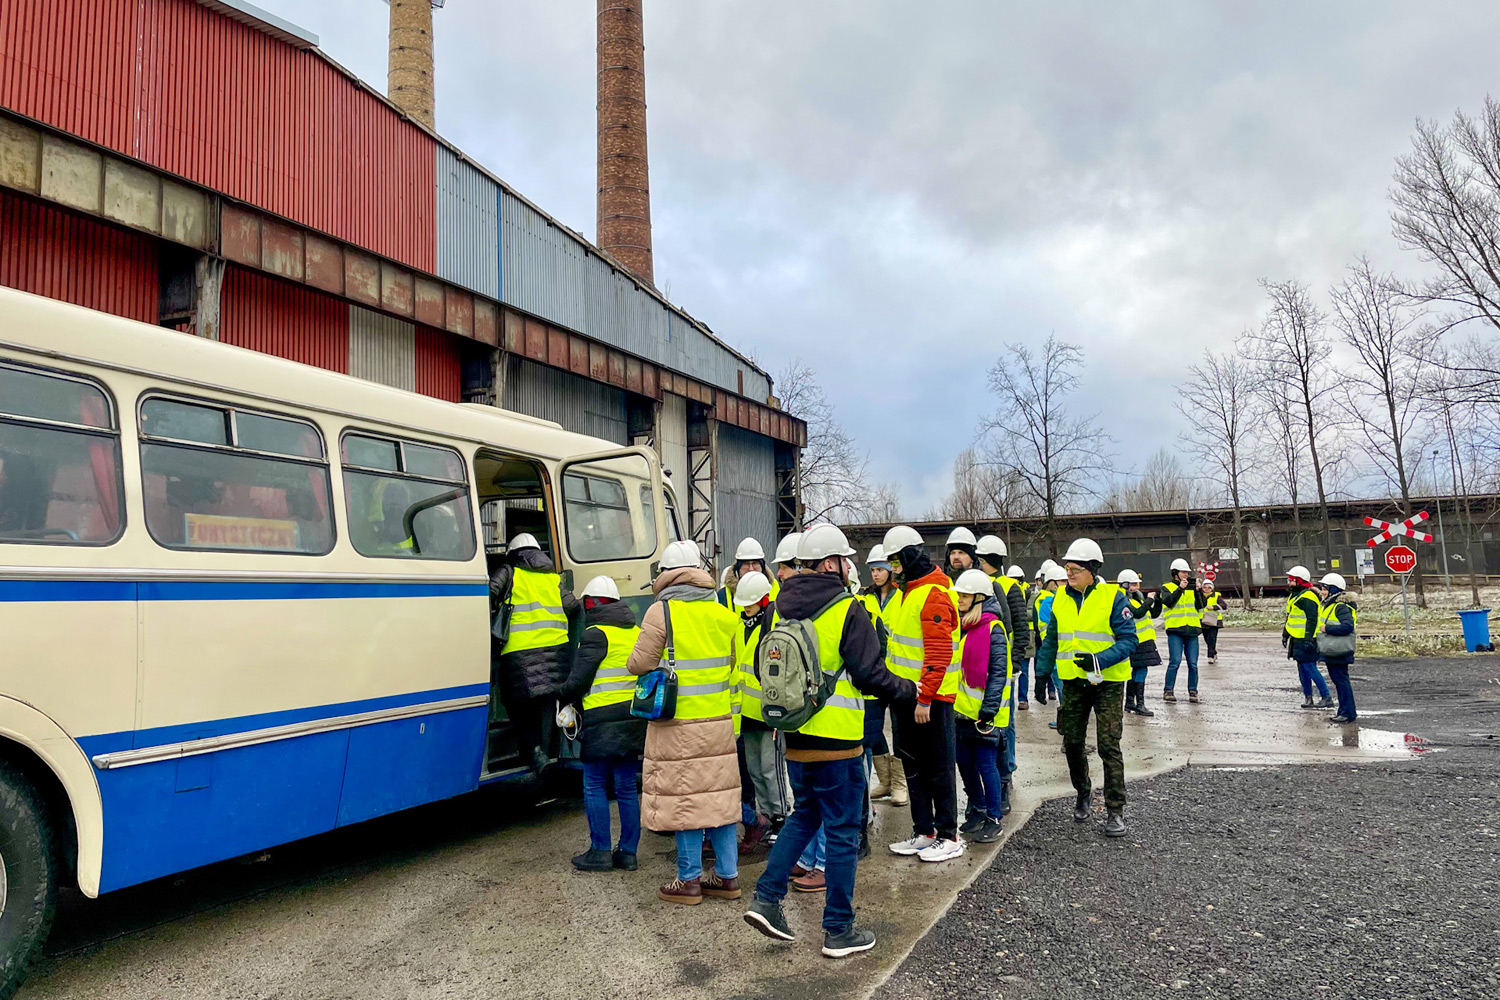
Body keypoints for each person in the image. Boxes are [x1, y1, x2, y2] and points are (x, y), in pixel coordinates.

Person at [743, 525, 918, 959]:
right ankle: (838, 929)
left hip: (795, 736)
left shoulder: (777, 609)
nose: (849, 566)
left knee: (805, 815)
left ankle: (766, 898)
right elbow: (869, 674)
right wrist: (910, 690)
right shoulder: (848, 610)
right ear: (829, 563)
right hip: (838, 742)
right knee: (841, 831)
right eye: (844, 559)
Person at [626, 539, 743, 906]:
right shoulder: (726, 615)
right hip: (720, 722)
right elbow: (733, 669)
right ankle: (727, 877)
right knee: (719, 801)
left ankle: (688, 880)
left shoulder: (661, 613)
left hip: (677, 726)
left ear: (666, 575)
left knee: (685, 802)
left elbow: (638, 664)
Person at [1036, 538, 1137, 838]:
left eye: (1076, 568)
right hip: (1074, 682)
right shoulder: (1059, 600)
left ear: (1092, 569)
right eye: (1067, 568)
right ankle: (1083, 792)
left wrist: (1098, 659)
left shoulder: (1114, 597)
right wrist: (1041, 674)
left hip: (1107, 682)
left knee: (1108, 745)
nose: (1069, 573)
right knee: (1073, 742)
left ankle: (1115, 810)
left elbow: (1129, 640)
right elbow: (1051, 640)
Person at [880, 525, 964, 863]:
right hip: (905, 696)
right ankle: (924, 830)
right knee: (912, 765)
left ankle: (948, 834)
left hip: (931, 699)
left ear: (910, 557)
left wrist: (925, 697)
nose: (893, 569)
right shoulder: (907, 593)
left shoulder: (934, 593)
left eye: (897, 562)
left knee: (939, 767)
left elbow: (939, 649)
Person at [562, 575, 647, 873]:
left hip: (601, 722)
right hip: (632, 719)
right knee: (625, 787)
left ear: (590, 604)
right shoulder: (636, 632)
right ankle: (627, 853)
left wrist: (562, 695)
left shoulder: (596, 633)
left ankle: (599, 851)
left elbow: (579, 679)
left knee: (595, 784)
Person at [490, 532, 580, 774]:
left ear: (513, 553)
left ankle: (535, 752)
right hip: (556, 652)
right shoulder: (551, 578)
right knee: (545, 704)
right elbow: (572, 605)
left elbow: (488, 593)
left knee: (517, 705)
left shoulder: (509, 571)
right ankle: (548, 752)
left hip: (520, 654)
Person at [952, 569, 1011, 844]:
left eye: (964, 595)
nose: (959, 599)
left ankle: (994, 818)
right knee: (964, 764)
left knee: (987, 765)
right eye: (959, 595)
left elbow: (998, 672)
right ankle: (977, 810)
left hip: (985, 716)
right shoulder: (963, 627)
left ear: (979, 597)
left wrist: (989, 710)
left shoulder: (992, 628)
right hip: (960, 711)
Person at [733, 571, 789, 856]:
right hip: (748, 714)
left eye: (750, 603)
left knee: (771, 769)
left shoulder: (773, 627)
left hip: (769, 714)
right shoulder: (743, 626)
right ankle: (765, 817)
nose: (745, 608)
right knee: (755, 770)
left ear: (764, 600)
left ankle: (780, 818)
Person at [974, 535, 1026, 814]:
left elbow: (1018, 625)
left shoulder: (1008, 587)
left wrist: (1015, 659)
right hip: (983, 664)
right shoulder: (973, 583)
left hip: (1003, 664)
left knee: (1006, 723)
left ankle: (1006, 772)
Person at [860, 545, 907, 807]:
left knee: (899, 727)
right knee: (873, 729)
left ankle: (900, 784)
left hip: (898, 670)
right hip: (875, 671)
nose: (876, 575)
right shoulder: (865, 598)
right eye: (873, 570)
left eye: (880, 569)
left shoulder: (903, 597)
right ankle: (886, 781)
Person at [1158, 558, 1207, 704]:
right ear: (1175, 573)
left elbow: (1201, 605)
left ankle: (1193, 691)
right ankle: (1168, 690)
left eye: (1187, 572)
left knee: (1193, 663)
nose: (1186, 575)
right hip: (1175, 630)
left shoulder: (1192, 588)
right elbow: (1168, 602)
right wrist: (1180, 589)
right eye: (1183, 572)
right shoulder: (1167, 587)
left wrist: (1198, 591)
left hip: (1191, 629)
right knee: (1175, 661)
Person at [1284, 566, 1333, 709]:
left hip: (1306, 639)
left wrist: (1308, 638)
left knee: (1310, 667)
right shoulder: (1295, 595)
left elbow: (1312, 619)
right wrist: (1285, 634)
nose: (1289, 583)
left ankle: (1326, 696)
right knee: (1302, 668)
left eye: (1292, 580)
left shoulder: (1308, 596)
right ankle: (1308, 697)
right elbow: (1291, 617)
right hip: (1296, 638)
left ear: (1299, 581)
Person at [1316, 573, 1359, 724]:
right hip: (1333, 650)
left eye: (1325, 589)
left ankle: (1347, 712)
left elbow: (1347, 626)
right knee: (1339, 681)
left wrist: (1327, 628)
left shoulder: (1340, 607)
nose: (1322, 592)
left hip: (1338, 650)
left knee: (1341, 681)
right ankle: (1344, 710)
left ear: (1334, 590)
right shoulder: (1332, 605)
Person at [1118, 570, 1160, 717]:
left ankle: (1131, 702)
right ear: (1124, 585)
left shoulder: (1137, 598)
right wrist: (1149, 601)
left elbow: (1152, 614)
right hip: (1137, 640)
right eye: (1133, 584)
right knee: (1140, 671)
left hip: (1144, 639)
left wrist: (1157, 601)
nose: (1136, 587)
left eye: (1137, 584)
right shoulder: (1123, 599)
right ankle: (1139, 704)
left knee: (1138, 671)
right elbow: (1138, 613)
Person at [1031, 562, 1066, 708]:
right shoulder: (1048, 600)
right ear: (1053, 583)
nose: (1066, 583)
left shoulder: (1052, 598)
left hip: (1059, 652)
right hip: (1056, 653)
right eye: (1062, 581)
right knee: (1062, 689)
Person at [719, 537, 772, 608]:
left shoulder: (777, 588)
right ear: (738, 568)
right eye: (746, 564)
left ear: (762, 566)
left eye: (755, 563)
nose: (751, 569)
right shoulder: (724, 595)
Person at [1201, 579, 1224, 664]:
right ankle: (1213, 652)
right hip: (1203, 620)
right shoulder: (1199, 595)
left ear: (1212, 588)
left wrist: (1214, 607)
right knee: (1206, 639)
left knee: (1212, 638)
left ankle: (1210, 656)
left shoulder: (1217, 595)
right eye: (1205, 587)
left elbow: (1224, 605)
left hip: (1214, 621)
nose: (1207, 589)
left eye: (1209, 587)